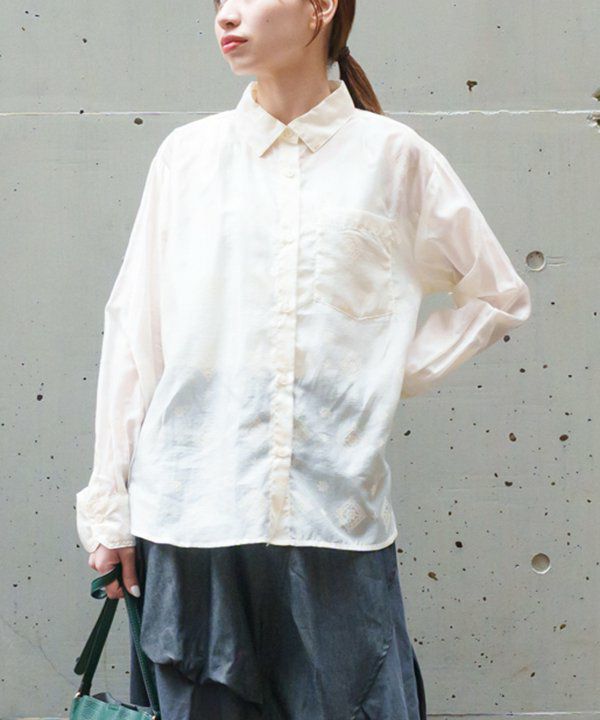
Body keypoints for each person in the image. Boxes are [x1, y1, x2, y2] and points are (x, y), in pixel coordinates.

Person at [75, 1, 532, 718]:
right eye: (219, 2)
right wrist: (110, 510)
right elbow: (135, 334)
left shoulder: (394, 158)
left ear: (321, 7)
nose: (227, 16)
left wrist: (383, 374)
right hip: (191, 518)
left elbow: (496, 295)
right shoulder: (187, 158)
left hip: (333, 517)